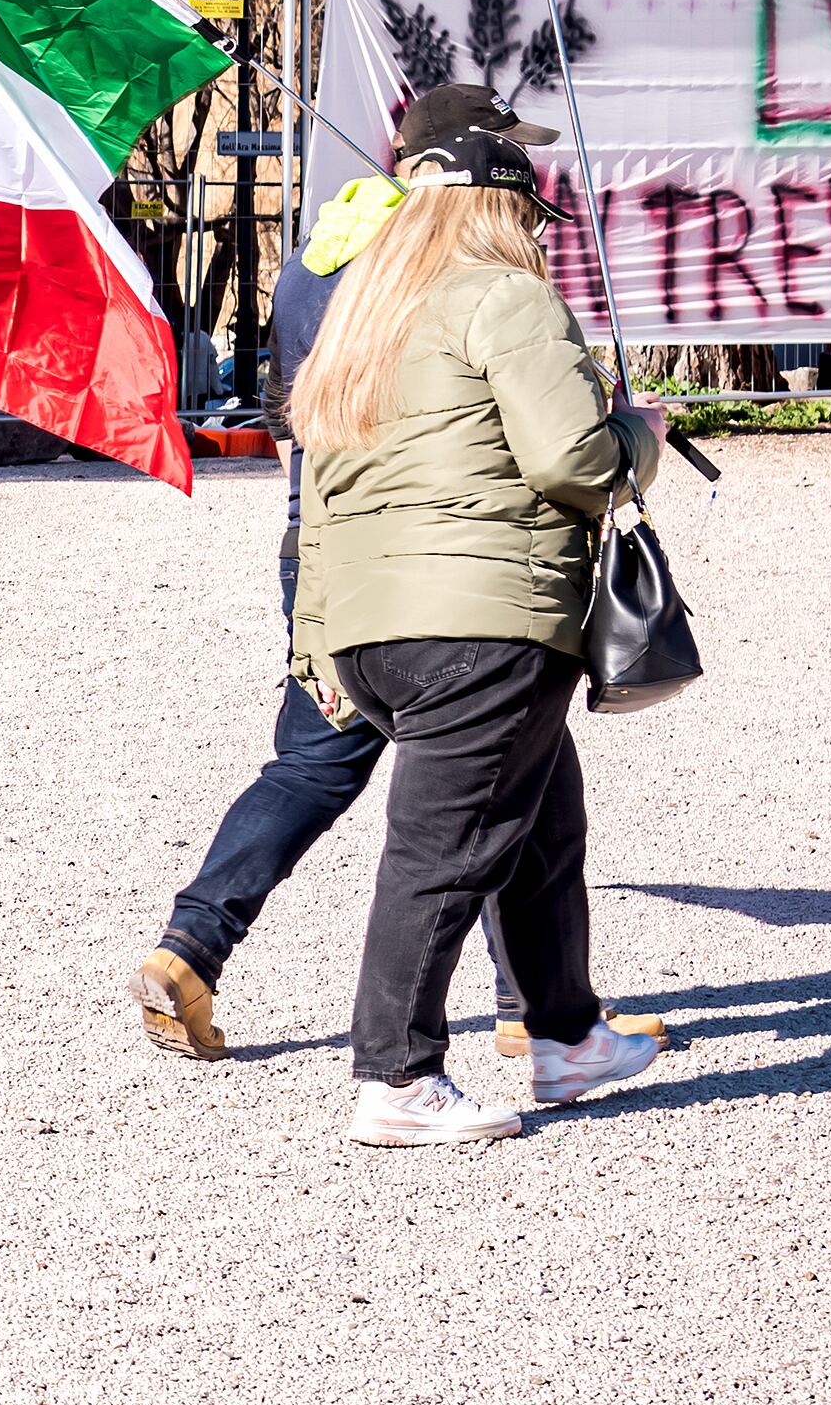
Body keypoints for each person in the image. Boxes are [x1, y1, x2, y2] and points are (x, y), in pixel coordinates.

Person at [128, 84, 660, 1069]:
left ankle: (194, 948)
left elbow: (315, 435)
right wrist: (622, 430)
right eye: (505, 151)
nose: (521, 176)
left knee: (453, 777)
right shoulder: (435, 266)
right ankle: (484, 1033)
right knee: (469, 782)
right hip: (442, 572)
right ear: (454, 163)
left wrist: (312, 612)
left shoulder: (317, 259)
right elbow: (536, 449)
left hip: (338, 556)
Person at [289, 125, 668, 1145]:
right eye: (525, 213)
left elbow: (316, 502)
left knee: (543, 823)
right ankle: (397, 1078)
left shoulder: (363, 320)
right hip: (484, 621)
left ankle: (566, 1036)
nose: (532, 233)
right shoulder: (508, 299)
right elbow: (574, 466)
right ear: (500, 210)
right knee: (440, 851)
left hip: (374, 632)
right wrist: (645, 432)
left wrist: (317, 644)